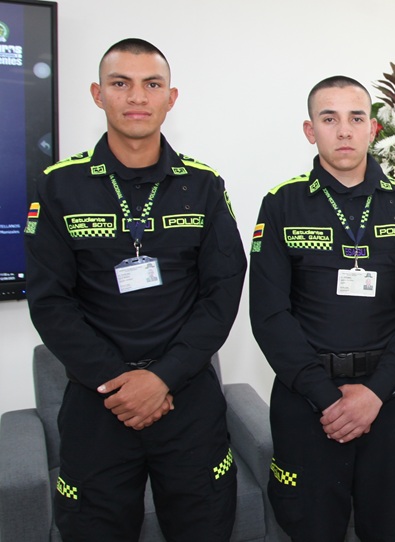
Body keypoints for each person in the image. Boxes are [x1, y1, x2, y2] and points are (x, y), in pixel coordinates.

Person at [24, 38, 246, 541]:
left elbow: (223, 291)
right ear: (97, 94)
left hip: (187, 399)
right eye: (121, 83)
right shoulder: (59, 185)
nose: (137, 97)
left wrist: (162, 377)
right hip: (98, 402)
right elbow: (50, 301)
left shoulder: (204, 185)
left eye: (152, 84)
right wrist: (121, 383)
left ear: (171, 97)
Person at [249, 76, 395, 542]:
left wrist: (373, 394)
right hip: (307, 403)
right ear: (309, 130)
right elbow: (269, 315)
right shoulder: (281, 204)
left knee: (391, 528)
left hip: (389, 400)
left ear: (373, 128)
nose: (344, 130)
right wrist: (327, 398)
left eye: (356, 118)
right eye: (329, 118)